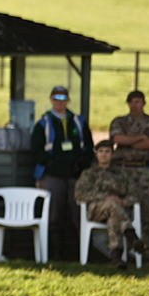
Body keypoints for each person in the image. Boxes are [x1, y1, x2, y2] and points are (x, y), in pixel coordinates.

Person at [30, 85, 93, 258]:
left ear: (68, 100)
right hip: (52, 175)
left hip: (75, 175)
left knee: (78, 212)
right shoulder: (43, 123)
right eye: (56, 98)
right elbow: (36, 152)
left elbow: (89, 148)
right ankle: (55, 253)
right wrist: (52, 164)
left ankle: (81, 254)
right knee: (53, 214)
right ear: (51, 100)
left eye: (63, 98)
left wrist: (81, 165)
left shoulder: (78, 122)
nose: (60, 102)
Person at [110, 90, 149, 266]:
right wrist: (140, 138)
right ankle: (123, 250)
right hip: (122, 172)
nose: (135, 105)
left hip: (144, 172)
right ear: (128, 103)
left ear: (144, 103)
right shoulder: (119, 121)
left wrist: (129, 142)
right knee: (121, 207)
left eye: (138, 101)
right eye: (132, 101)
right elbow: (117, 138)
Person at [76, 140, 143, 268]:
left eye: (107, 152)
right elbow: (80, 195)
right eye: (101, 151)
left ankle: (116, 257)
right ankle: (131, 236)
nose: (104, 154)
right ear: (96, 154)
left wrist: (123, 201)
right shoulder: (88, 174)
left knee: (114, 217)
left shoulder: (122, 174)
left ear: (112, 155)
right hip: (96, 210)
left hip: (119, 210)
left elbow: (135, 194)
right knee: (112, 204)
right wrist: (106, 198)